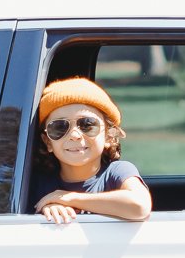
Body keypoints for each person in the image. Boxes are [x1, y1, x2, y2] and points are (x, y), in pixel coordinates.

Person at [29, 77, 152, 224]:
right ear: (48, 141)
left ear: (109, 136)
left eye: (87, 124)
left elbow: (139, 206)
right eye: (59, 127)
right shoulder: (37, 183)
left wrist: (69, 198)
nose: (74, 135)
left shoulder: (116, 172)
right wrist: (49, 207)